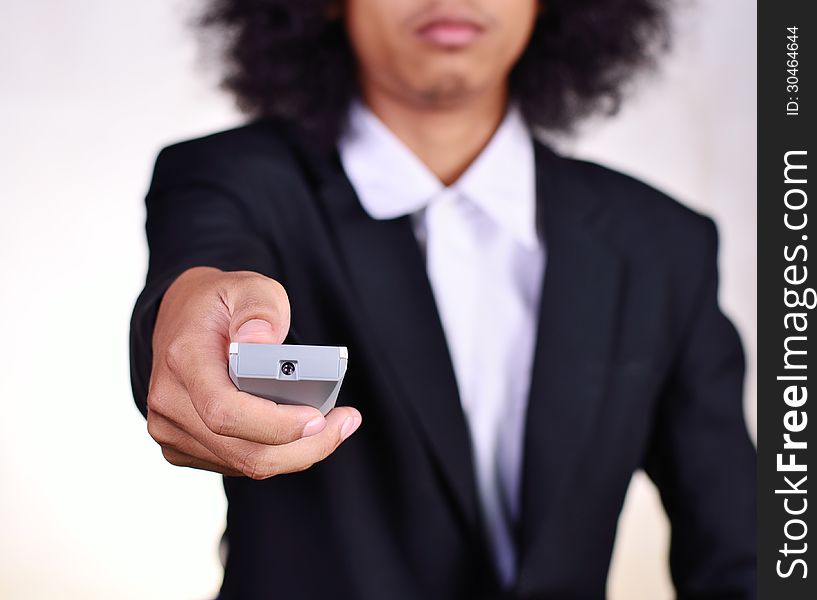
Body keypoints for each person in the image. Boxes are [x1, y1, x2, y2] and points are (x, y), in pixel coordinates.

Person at [129, 1, 757, 598]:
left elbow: (744, 554)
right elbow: (198, 278)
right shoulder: (227, 178)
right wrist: (192, 323)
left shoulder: (663, 243)